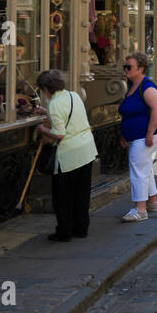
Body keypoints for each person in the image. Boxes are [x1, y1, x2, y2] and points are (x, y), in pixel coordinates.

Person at [35, 69, 98, 242]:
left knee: (63, 196)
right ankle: (81, 227)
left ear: (46, 88)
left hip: (70, 154)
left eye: (42, 89)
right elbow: (67, 114)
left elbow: (59, 133)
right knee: (82, 193)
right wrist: (45, 111)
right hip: (87, 149)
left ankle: (64, 231)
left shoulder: (54, 104)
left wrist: (42, 129)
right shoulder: (73, 95)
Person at [119, 52, 157, 222]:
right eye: (126, 66)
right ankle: (151, 202)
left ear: (141, 69)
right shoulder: (132, 85)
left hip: (144, 136)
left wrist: (150, 133)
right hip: (135, 135)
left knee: (138, 170)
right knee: (145, 168)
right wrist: (124, 134)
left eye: (129, 67)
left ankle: (140, 210)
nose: (126, 70)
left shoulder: (146, 86)